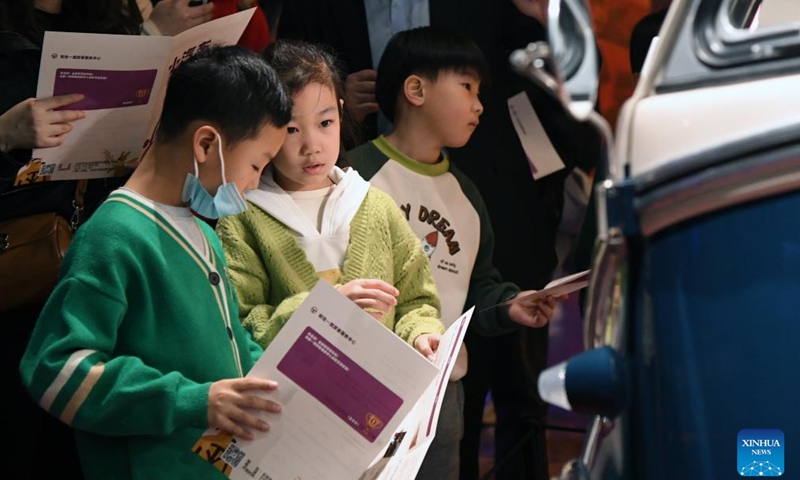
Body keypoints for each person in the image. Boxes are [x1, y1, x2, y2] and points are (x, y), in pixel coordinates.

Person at [19, 44, 293, 479]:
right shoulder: (114, 234)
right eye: (256, 164)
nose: (254, 184)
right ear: (207, 143)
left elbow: (232, 344)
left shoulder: (203, 231)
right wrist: (192, 401)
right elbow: (56, 371)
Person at [347, 26, 564, 480]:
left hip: (441, 391)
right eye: (467, 86)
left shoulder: (465, 195)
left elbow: (476, 285)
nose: (479, 104)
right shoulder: (355, 172)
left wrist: (510, 305)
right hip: (357, 376)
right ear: (416, 89)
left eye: (480, 91)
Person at [216, 39, 445, 359]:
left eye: (325, 123)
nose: (312, 146)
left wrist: (422, 334)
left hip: (376, 396)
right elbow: (242, 324)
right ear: (264, 128)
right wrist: (323, 309)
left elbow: (416, 300)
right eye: (292, 129)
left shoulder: (374, 204)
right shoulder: (244, 217)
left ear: (340, 112)